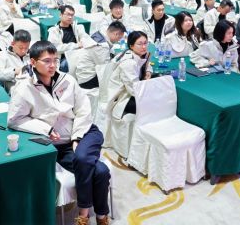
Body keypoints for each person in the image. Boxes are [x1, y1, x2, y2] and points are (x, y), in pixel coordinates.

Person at [8, 41, 110, 225]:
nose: (53, 65)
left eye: (55, 60)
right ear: (33, 62)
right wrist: (45, 129)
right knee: (100, 171)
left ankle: (83, 215)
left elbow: (84, 110)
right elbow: (15, 120)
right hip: (61, 145)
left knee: (82, 158)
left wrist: (77, 137)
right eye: (47, 61)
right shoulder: (24, 88)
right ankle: (102, 216)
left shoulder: (67, 80)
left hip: (85, 132)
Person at [107, 31, 152, 120]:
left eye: (145, 43)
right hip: (121, 97)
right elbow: (134, 91)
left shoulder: (140, 54)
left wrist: (148, 72)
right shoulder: (129, 63)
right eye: (140, 44)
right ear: (131, 46)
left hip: (131, 88)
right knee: (152, 103)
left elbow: (148, 65)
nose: (144, 47)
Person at [76, 21, 127, 90]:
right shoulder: (102, 46)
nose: (118, 41)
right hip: (87, 80)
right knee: (120, 78)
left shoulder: (100, 33)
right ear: (116, 34)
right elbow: (105, 69)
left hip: (83, 73)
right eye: (119, 38)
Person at [47, 5, 92, 72]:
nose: (70, 17)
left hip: (78, 55)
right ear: (61, 15)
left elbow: (85, 38)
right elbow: (56, 49)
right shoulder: (54, 31)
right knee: (70, 63)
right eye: (68, 14)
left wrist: (83, 41)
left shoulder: (78, 27)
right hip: (64, 59)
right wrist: (76, 45)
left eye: (72, 15)